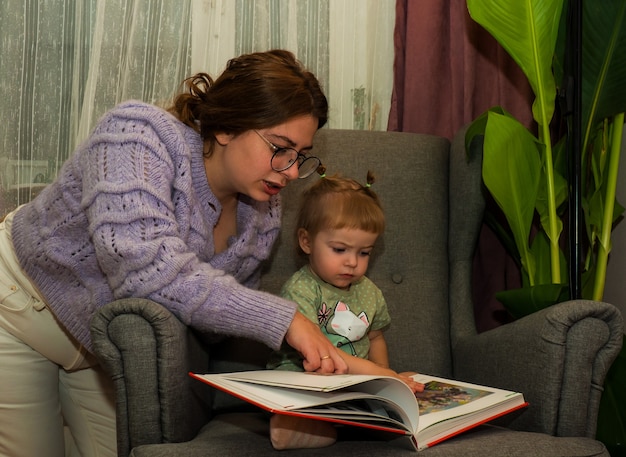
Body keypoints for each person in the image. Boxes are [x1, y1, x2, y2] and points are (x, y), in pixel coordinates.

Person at [0, 49, 348, 457]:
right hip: (21, 309)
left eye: (300, 156)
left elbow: (211, 327)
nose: (290, 171)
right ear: (227, 127)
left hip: (102, 350)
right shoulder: (135, 134)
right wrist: (286, 320)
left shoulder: (264, 211)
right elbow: (144, 271)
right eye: (281, 147)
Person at [267, 171, 424, 450]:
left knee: (407, 379)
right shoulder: (301, 289)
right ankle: (299, 424)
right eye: (340, 249)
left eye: (364, 253)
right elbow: (323, 353)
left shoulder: (369, 291)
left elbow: (375, 338)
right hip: (307, 380)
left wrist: (385, 378)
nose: (353, 262)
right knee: (303, 393)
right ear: (306, 242)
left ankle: (361, 419)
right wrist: (379, 375)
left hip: (353, 383)